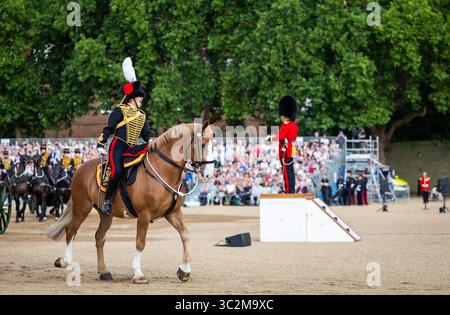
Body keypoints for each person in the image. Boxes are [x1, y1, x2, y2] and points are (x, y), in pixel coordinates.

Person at [97, 57, 153, 215]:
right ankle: (107, 200)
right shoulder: (120, 110)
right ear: (133, 99)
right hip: (118, 147)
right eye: (140, 98)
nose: (142, 101)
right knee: (118, 171)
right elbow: (109, 128)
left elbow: (146, 133)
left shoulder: (141, 115)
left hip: (132, 147)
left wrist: (151, 139)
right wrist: (101, 144)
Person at [275, 95, 299, 194]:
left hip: (285, 151)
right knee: (290, 171)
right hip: (291, 150)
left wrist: (270, 138)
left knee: (286, 172)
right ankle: (291, 190)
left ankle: (289, 191)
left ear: (284, 114)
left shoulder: (285, 125)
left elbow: (279, 137)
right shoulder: (294, 126)